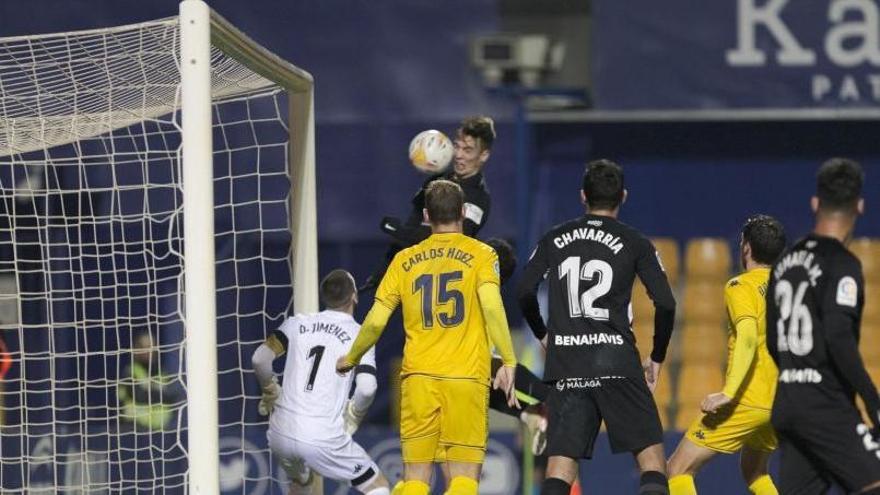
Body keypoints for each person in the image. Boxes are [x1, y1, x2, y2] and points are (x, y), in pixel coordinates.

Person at [336, 180, 519, 495]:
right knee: (463, 479)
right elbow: (491, 305)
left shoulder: (404, 260)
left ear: (425, 214)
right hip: (465, 378)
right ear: (462, 212)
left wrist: (352, 357)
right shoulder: (482, 254)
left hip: (419, 379)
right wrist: (508, 359)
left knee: (416, 480)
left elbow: (376, 321)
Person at [517, 159, 677, 495]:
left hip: (568, 365)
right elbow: (665, 303)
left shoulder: (554, 238)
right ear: (624, 196)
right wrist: (658, 355)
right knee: (651, 462)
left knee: (559, 468)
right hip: (617, 362)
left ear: (582, 196)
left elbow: (524, 290)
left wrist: (545, 335)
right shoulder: (635, 242)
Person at [766, 158, 880, 494]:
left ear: (815, 203)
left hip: (788, 401)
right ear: (860, 206)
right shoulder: (843, 265)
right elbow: (838, 336)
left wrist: (796, 375)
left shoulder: (785, 261)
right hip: (824, 406)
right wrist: (873, 402)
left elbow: (774, 340)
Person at [667, 215, 786, 495]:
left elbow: (747, 337)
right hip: (780, 401)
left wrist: (729, 392)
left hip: (747, 399)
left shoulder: (740, 286)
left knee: (677, 469)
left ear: (746, 248)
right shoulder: (788, 289)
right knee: (755, 472)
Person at [251, 269, 391, 495]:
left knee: (302, 483)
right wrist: (354, 413)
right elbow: (367, 388)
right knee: (377, 485)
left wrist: (270, 390)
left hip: (280, 433)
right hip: (322, 436)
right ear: (354, 296)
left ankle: (302, 479)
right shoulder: (360, 335)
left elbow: (259, 359)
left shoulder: (295, 324)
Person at [360, 116, 496, 293]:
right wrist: (380, 274)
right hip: (413, 283)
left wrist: (398, 231)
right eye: (457, 146)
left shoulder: (478, 199)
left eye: (468, 150)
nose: (459, 155)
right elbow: (413, 223)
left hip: (444, 289)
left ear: (483, 155)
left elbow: (447, 243)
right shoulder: (436, 181)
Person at [117, 331, 184, 432]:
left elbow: (174, 396)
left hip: (162, 430)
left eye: (152, 346)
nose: (149, 351)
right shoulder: (130, 372)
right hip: (134, 430)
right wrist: (162, 396)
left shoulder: (162, 373)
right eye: (145, 347)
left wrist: (157, 395)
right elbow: (139, 396)